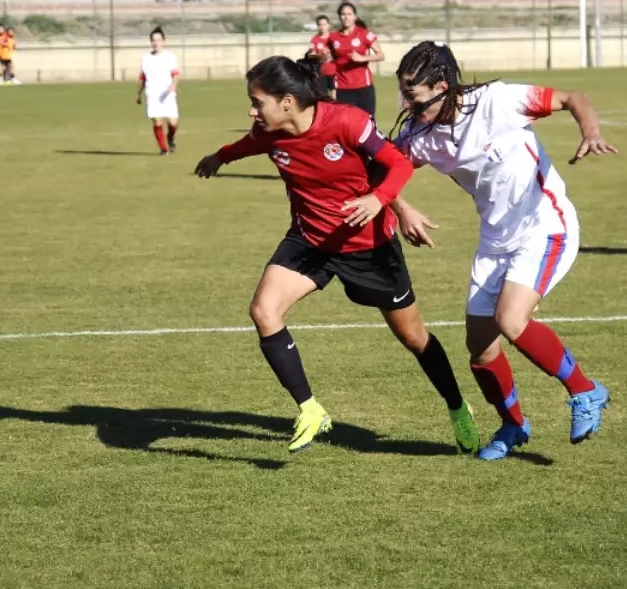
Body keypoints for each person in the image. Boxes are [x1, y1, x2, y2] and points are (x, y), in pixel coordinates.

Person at [194, 55, 480, 455]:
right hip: (309, 242)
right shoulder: (269, 130)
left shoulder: (346, 122)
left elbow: (396, 163)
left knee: (414, 338)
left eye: (258, 101)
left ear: (288, 101)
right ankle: (311, 410)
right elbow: (248, 144)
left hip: (370, 249)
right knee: (264, 311)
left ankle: (456, 406)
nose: (252, 110)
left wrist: (381, 201)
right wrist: (219, 157)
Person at [389, 41, 615, 460]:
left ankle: (586, 390)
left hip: (545, 226)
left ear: (442, 86)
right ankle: (513, 425)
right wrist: (402, 207)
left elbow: (572, 98)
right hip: (494, 241)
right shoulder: (421, 135)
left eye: (414, 95)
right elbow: (381, 172)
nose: (407, 104)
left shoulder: (496, 101)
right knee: (481, 348)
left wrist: (591, 132)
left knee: (511, 320)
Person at [327, 1, 385, 118]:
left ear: (355, 16)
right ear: (339, 17)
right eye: (343, 14)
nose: (346, 17)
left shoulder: (364, 34)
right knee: (346, 124)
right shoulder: (333, 37)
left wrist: (362, 58)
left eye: (349, 14)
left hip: (364, 87)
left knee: (368, 122)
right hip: (343, 88)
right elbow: (331, 60)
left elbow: (380, 55)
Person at [136, 26, 180, 155]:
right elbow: (143, 77)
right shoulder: (146, 58)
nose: (156, 43)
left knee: (173, 123)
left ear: (164, 41)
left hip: (167, 93)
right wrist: (138, 93)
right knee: (157, 121)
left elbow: (176, 74)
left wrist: (174, 85)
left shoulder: (169, 56)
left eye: (158, 40)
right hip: (152, 93)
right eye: (153, 40)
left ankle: (170, 137)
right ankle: (163, 149)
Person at [308, 14, 337, 97]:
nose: (322, 27)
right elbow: (311, 56)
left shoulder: (334, 38)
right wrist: (321, 55)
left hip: (334, 71)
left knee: (335, 96)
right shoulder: (315, 39)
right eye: (320, 25)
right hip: (321, 73)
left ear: (328, 25)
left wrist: (331, 55)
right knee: (322, 97)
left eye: (324, 24)